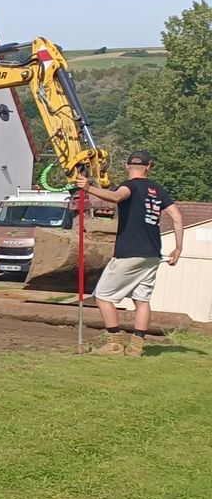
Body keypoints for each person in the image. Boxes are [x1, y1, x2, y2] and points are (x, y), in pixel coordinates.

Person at [75, 149, 184, 355]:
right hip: (152, 253)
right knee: (142, 300)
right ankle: (136, 347)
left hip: (129, 253)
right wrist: (178, 247)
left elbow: (116, 197)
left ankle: (114, 343)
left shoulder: (129, 186)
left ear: (127, 166)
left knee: (103, 297)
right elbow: (177, 217)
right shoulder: (158, 189)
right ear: (149, 166)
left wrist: (89, 188)